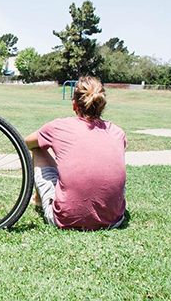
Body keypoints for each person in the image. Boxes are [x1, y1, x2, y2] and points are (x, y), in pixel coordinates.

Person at [24, 76, 127, 230]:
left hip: (65, 220)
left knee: (38, 149)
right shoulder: (118, 132)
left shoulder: (58, 126)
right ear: (102, 105)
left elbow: (27, 142)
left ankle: (39, 199)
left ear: (74, 105)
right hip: (113, 221)